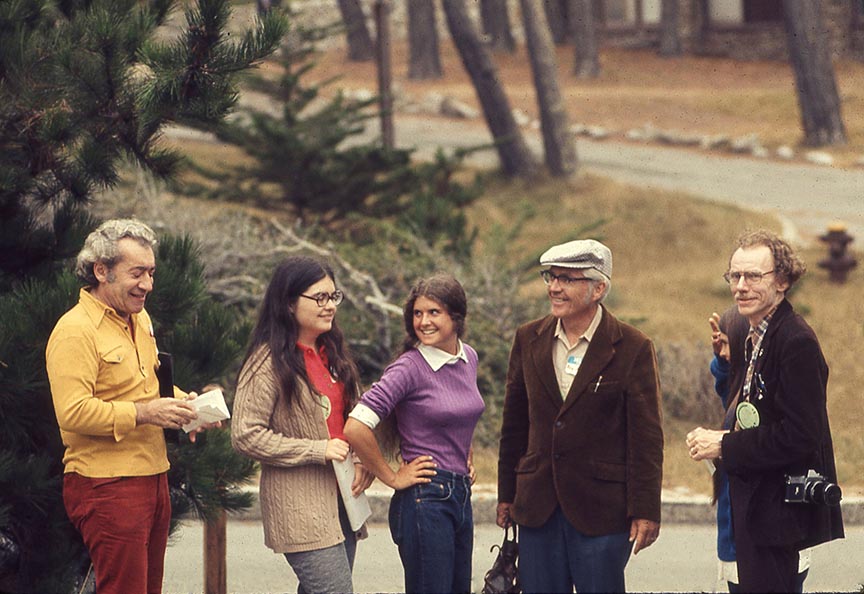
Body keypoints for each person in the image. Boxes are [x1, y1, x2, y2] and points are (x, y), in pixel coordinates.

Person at [46, 219, 216, 594]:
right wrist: (145, 412)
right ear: (101, 271)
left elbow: (147, 386)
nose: (148, 285)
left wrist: (187, 407)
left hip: (153, 479)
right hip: (106, 485)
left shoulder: (140, 319)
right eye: (137, 273)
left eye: (151, 273)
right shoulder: (74, 330)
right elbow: (71, 413)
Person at [496, 239, 664, 594]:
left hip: (601, 512)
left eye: (567, 279)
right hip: (537, 507)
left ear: (598, 288)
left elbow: (646, 438)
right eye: (550, 277)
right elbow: (514, 424)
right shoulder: (528, 338)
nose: (554, 287)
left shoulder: (633, 347)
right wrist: (506, 494)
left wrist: (646, 509)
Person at [687, 229, 844, 592]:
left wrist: (724, 446)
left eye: (754, 276)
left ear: (783, 281)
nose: (741, 286)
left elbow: (801, 436)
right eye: (735, 276)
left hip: (778, 525)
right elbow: (752, 410)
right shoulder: (756, 333)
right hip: (753, 516)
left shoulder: (796, 341)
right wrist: (727, 363)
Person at [231, 256, 374, 594]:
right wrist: (316, 449)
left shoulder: (332, 352)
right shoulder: (267, 362)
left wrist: (363, 458)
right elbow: (245, 435)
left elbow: (350, 420)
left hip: (343, 497)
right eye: (319, 298)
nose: (329, 307)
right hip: (300, 505)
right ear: (289, 303)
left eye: (333, 297)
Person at [344, 274, 485, 594]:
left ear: (456, 317)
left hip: (460, 495)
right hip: (425, 499)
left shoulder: (469, 357)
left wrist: (465, 453)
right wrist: (392, 477)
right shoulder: (409, 367)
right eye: (417, 313)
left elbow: (463, 410)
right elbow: (356, 426)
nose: (423, 321)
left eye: (434, 312)